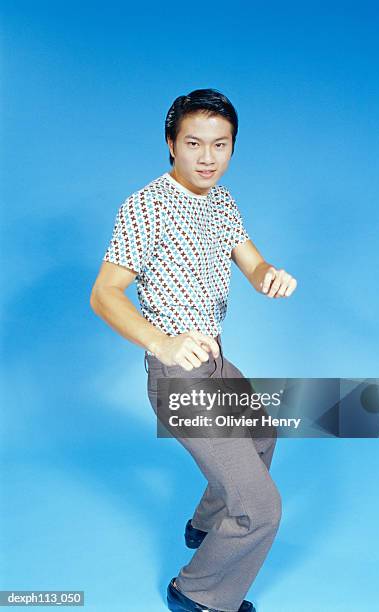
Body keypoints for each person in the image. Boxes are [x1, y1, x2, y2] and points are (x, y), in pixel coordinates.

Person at [90, 88, 297, 612]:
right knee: (261, 507)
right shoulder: (146, 205)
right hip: (176, 371)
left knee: (262, 435)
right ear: (171, 143)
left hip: (215, 360)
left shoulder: (223, 201)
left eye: (220, 145)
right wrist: (162, 340)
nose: (207, 158)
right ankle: (197, 593)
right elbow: (104, 294)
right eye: (194, 143)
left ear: (232, 148)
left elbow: (251, 263)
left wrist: (269, 275)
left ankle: (205, 526)